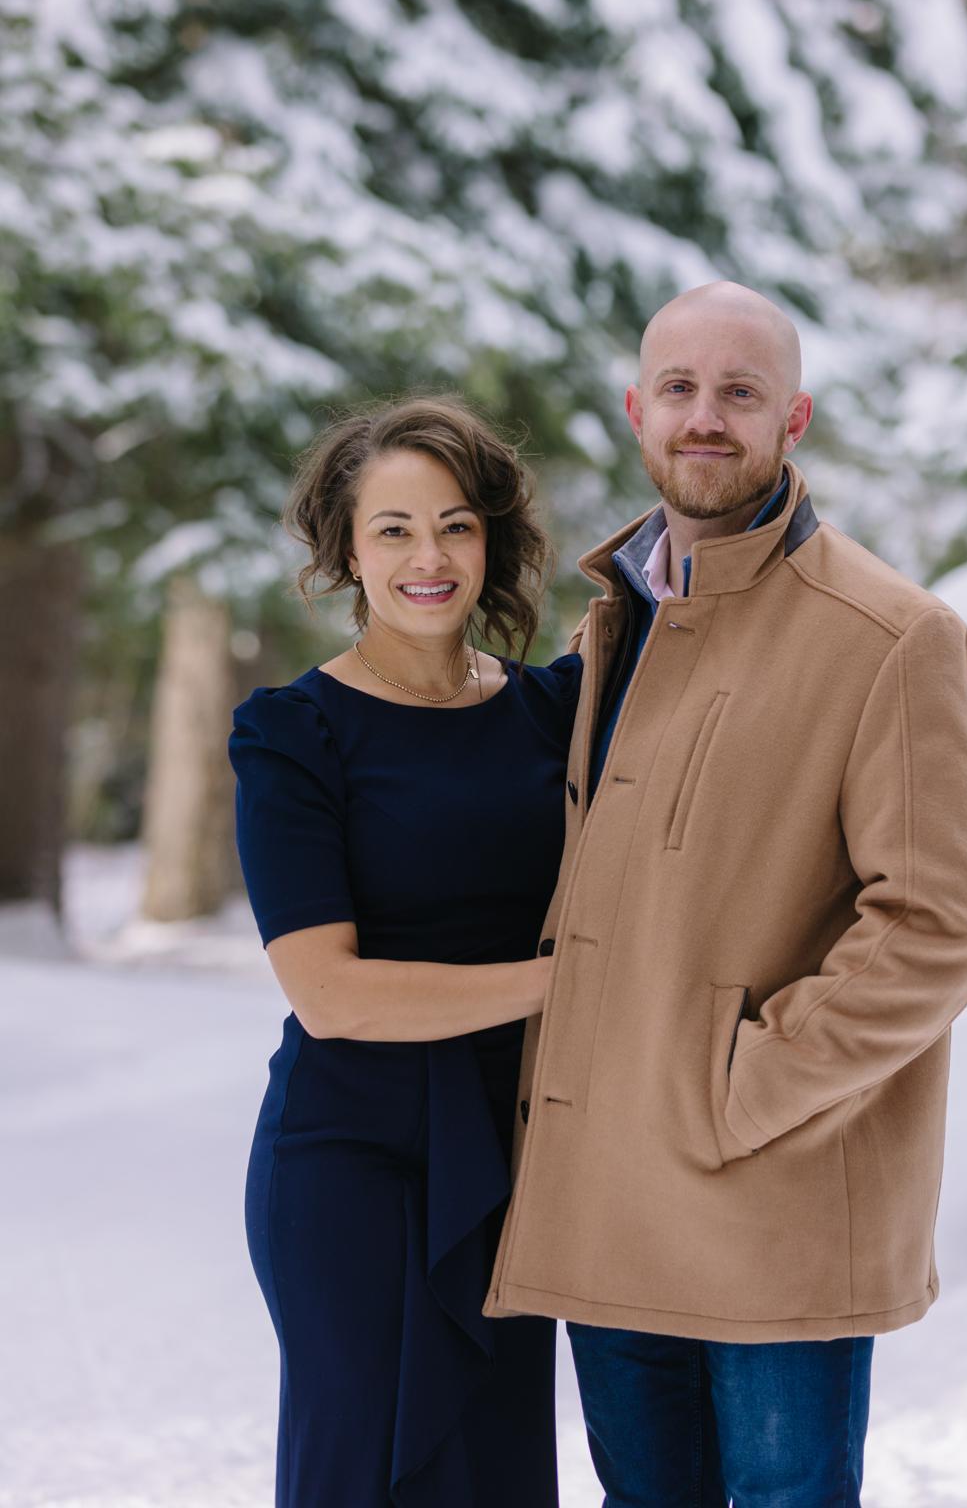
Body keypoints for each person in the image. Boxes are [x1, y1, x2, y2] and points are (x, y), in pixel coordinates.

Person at [484, 281, 967, 1508]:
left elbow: (942, 924)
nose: (705, 417)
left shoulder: (894, 636)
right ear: (637, 412)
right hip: (610, 1195)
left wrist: (745, 1085)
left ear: (795, 418)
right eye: (679, 388)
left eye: (740, 391)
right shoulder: (612, 626)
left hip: (772, 1194)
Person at [228, 396, 579, 1508]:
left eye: (456, 525)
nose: (429, 558)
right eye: (393, 530)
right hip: (352, 1161)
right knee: (363, 1471)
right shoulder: (294, 733)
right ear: (346, 551)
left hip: (512, 1160)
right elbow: (330, 995)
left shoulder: (554, 711)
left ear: (491, 541)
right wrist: (567, 987)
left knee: (500, 1471)